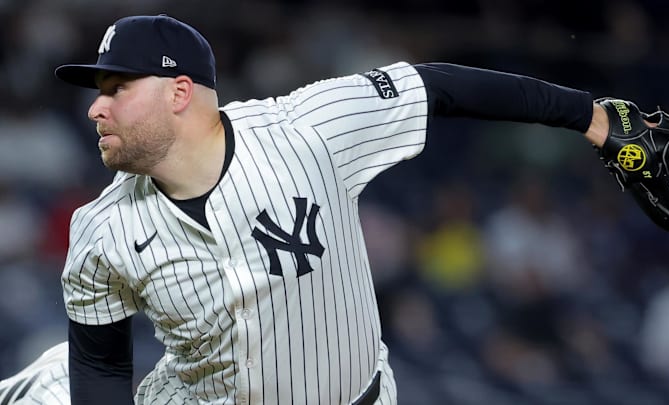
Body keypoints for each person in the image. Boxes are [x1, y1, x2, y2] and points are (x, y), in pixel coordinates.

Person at [4, 13, 626, 405]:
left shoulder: (307, 131)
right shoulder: (100, 230)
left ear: (179, 93)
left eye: (117, 89)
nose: (96, 107)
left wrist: (596, 120)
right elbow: (101, 366)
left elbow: (437, 86)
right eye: (98, 93)